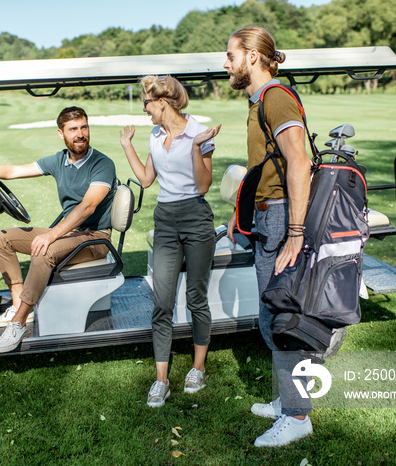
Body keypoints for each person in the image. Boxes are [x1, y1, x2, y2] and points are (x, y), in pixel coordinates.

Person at [0, 106, 117, 353]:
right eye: (73, 129)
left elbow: (88, 207)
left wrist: (52, 234)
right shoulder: (58, 160)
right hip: (69, 233)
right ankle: (20, 303)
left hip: (94, 238)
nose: (80, 134)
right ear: (60, 133)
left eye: (84, 127)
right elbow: (13, 170)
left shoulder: (102, 163)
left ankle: (19, 321)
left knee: (44, 250)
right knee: (3, 239)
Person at [224, 26, 314, 446]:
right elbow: (263, 167)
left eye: (231, 56)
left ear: (254, 57)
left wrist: (296, 233)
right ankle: (286, 399)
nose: (225, 64)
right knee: (268, 316)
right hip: (265, 217)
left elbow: (299, 163)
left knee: (281, 320)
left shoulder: (276, 98)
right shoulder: (258, 100)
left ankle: (297, 417)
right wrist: (239, 213)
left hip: (281, 220)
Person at [119, 75, 221, 408]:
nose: (145, 110)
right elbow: (147, 179)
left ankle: (197, 367)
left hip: (195, 216)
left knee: (195, 296)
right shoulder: (154, 133)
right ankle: (161, 379)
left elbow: (204, 185)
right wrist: (127, 147)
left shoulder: (200, 132)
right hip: (165, 218)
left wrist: (194, 146)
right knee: (162, 301)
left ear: (162, 102)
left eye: (146, 104)